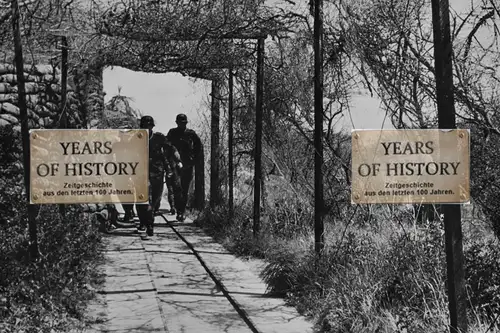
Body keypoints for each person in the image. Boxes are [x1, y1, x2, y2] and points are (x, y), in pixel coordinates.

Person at [137, 115, 183, 236]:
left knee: (155, 199)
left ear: (152, 126)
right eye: (145, 126)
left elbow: (170, 147)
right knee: (143, 200)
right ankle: (146, 223)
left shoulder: (159, 138)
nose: (147, 129)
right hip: (140, 173)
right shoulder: (134, 138)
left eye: (149, 126)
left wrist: (176, 155)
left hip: (157, 172)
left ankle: (148, 220)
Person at [167, 113, 202, 222]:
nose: (182, 124)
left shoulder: (191, 134)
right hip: (175, 165)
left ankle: (181, 211)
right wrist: (170, 161)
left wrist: (194, 160)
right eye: (180, 122)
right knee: (177, 189)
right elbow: (167, 147)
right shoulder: (172, 133)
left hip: (187, 165)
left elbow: (199, 147)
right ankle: (179, 211)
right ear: (176, 123)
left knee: (185, 190)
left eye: (184, 123)